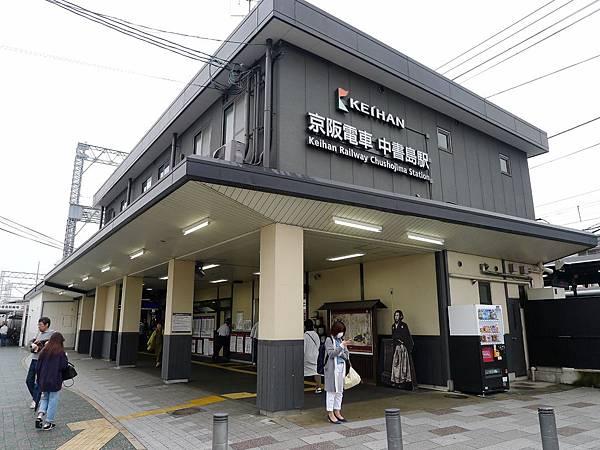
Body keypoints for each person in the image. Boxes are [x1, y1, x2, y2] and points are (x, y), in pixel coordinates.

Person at [35, 332, 68, 431]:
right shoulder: (60, 352)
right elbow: (63, 366)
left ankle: (40, 416)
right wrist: (66, 357)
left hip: (43, 379)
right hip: (54, 380)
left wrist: (39, 379)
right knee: (53, 400)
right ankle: (48, 422)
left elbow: (38, 367)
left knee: (45, 398)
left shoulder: (44, 351)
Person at [324, 321, 351, 424]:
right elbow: (331, 354)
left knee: (340, 391)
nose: (341, 334)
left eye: (343, 332)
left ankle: (337, 411)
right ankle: (330, 413)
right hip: (332, 369)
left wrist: (340, 350)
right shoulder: (329, 340)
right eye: (340, 331)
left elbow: (346, 355)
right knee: (331, 391)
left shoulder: (341, 340)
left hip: (341, 368)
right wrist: (341, 347)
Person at [26, 317, 55, 409]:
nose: (39, 327)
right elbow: (32, 342)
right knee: (29, 380)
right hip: (34, 359)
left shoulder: (52, 334)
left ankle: (35, 400)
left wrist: (44, 344)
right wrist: (32, 344)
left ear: (47, 325)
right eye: (38, 325)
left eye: (41, 325)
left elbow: (55, 346)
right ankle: (37, 396)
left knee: (39, 381)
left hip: (43, 361)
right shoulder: (39, 333)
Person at [390, 310, 416, 390]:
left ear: (401, 316)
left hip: (403, 347)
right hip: (397, 347)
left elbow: (407, 336)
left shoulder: (404, 325)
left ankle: (403, 381)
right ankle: (396, 381)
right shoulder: (393, 326)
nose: (396, 317)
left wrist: (404, 344)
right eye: (395, 315)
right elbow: (393, 337)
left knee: (403, 365)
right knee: (396, 364)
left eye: (398, 315)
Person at [304, 319, 323, 393]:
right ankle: (319, 387)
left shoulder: (305, 335)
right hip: (315, 356)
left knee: (302, 371)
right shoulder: (316, 334)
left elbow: (304, 347)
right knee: (316, 372)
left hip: (307, 357)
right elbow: (318, 345)